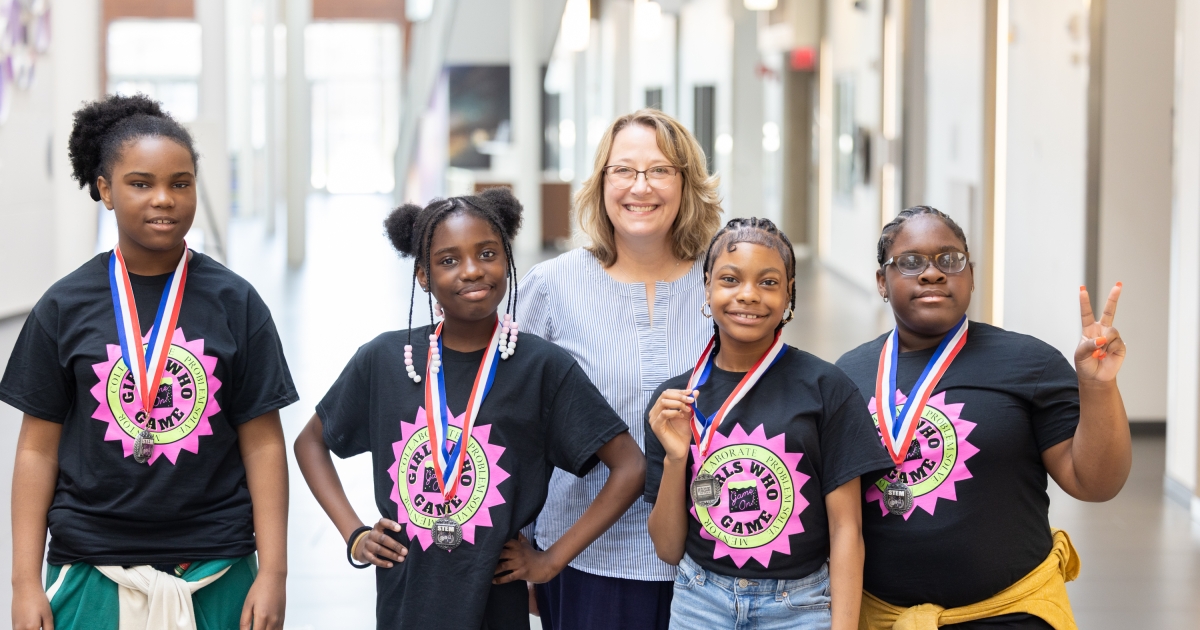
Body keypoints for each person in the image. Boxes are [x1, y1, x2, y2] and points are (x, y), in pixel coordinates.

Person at [4, 94, 296, 630]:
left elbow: (263, 443)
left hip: (217, 563)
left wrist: (274, 571)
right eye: (141, 183)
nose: (164, 199)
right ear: (105, 190)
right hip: (92, 565)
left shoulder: (236, 302)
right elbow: (36, 452)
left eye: (180, 184)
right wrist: (25, 583)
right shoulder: (64, 307)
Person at [293, 188, 645, 629]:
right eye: (449, 260)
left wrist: (551, 560)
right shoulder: (385, 359)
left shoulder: (541, 367)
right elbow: (310, 442)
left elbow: (630, 465)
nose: (473, 270)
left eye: (487, 253)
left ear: (507, 259)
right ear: (423, 276)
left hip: (495, 607)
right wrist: (355, 533)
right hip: (406, 604)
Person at [835, 206, 1131, 629]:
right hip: (883, 619)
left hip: (1010, 614)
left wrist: (1099, 386)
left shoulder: (1030, 363)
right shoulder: (848, 375)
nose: (932, 273)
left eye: (950, 260)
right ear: (882, 281)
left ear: (971, 275)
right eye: (911, 262)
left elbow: (1095, 483)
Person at [518, 108, 723, 630]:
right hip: (585, 557)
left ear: (687, 183)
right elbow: (517, 423)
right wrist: (527, 547)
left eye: (660, 170)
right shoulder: (552, 286)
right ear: (601, 182)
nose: (640, 186)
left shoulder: (722, 284)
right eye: (623, 170)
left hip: (710, 561)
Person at [643, 218, 892, 630]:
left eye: (768, 282)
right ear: (707, 287)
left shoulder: (827, 388)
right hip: (699, 601)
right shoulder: (676, 402)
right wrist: (675, 458)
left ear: (789, 292)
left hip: (798, 606)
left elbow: (846, 529)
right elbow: (668, 549)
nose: (748, 294)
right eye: (730, 279)